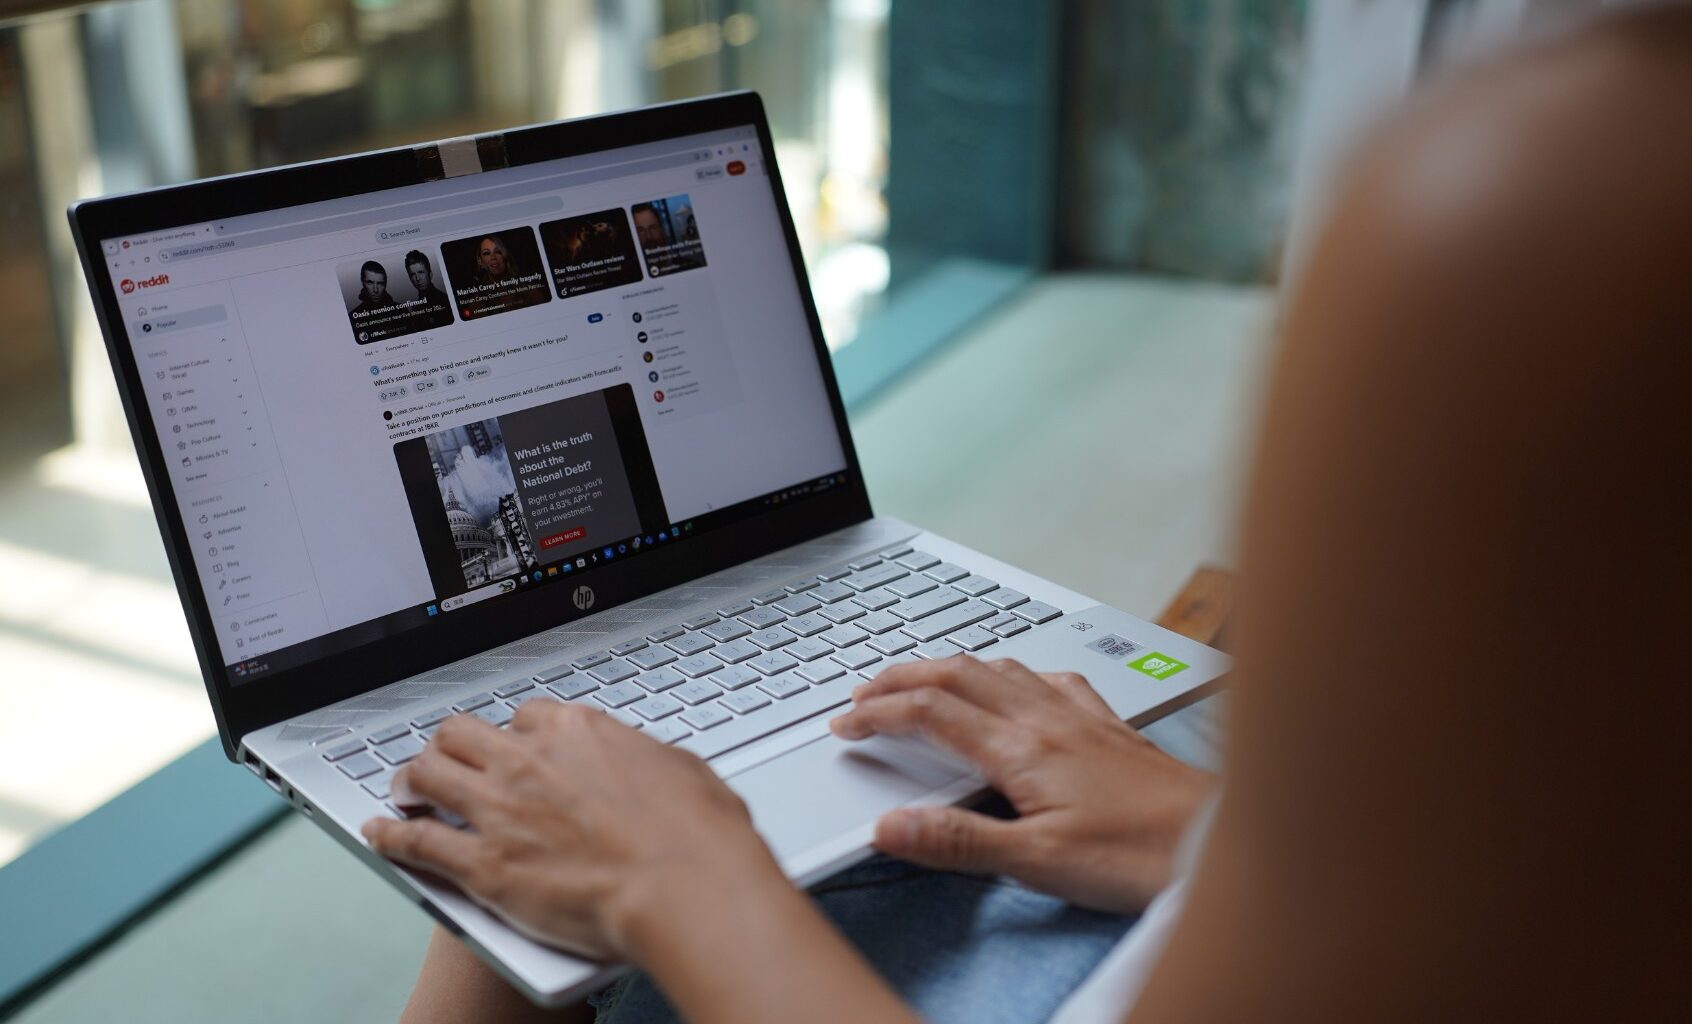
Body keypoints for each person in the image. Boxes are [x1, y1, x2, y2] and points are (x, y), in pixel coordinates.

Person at [368, 9, 1691, 1023]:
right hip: (1176, 896)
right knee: (564, 793)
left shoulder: (1559, 205)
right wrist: (1203, 838)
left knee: (513, 835)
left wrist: (675, 876)